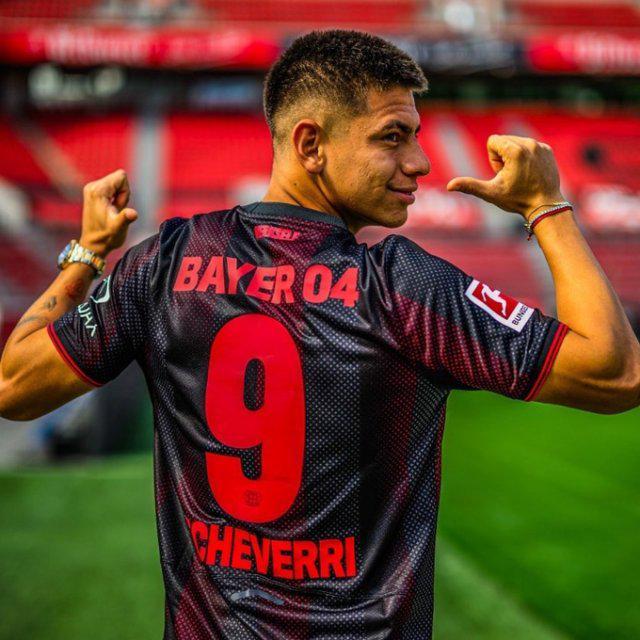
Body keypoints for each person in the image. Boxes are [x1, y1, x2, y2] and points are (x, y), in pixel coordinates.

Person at [1, 29, 639, 640]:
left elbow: (14, 385)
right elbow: (616, 373)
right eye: (393, 137)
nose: (420, 162)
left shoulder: (165, 261)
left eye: (417, 137)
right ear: (310, 145)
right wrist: (546, 206)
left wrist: (86, 252)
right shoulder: (404, 287)